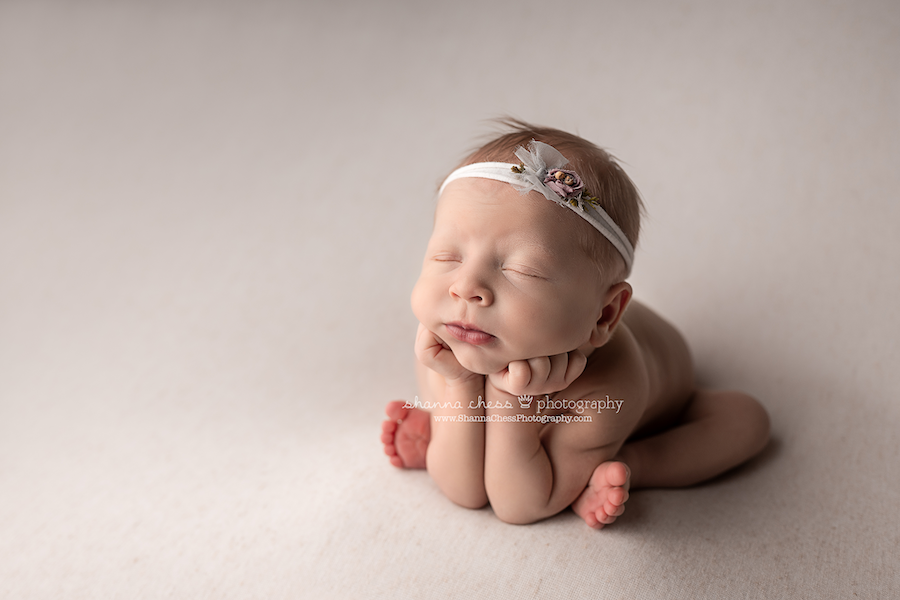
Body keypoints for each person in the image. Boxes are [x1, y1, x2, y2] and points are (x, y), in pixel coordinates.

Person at [381, 120, 770, 528]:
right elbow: (466, 493)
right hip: (517, 375)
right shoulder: (451, 338)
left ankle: (629, 461)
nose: (465, 288)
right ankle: (454, 435)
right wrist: (461, 385)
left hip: (662, 406)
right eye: (447, 257)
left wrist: (511, 402)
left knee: (748, 420)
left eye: (522, 270)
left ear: (603, 316)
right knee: (466, 439)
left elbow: (520, 505)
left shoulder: (611, 383)